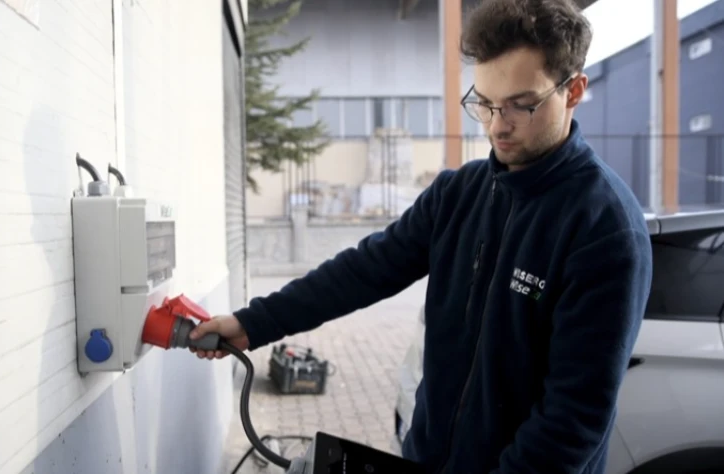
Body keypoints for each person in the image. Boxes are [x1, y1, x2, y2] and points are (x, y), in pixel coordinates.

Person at [190, 0, 654, 472]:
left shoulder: (605, 230)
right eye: (485, 103)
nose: (497, 125)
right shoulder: (459, 194)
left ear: (574, 91)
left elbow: (570, 423)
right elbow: (362, 271)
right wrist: (253, 323)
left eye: (521, 105)